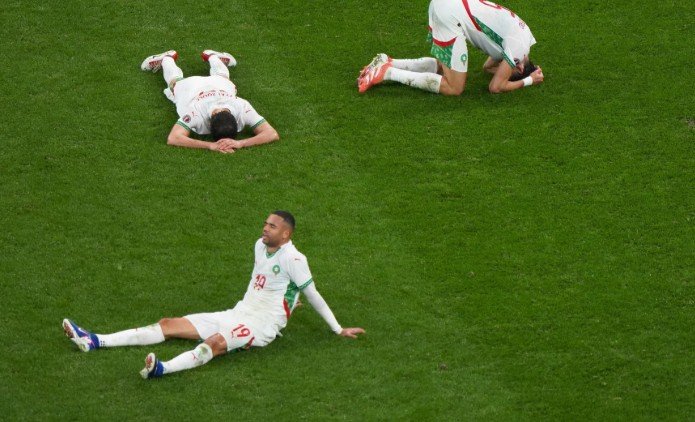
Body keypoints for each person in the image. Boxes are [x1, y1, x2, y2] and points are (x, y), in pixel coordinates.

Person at [63, 211, 365, 379]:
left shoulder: (294, 259)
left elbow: (312, 294)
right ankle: (95, 340)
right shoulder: (259, 246)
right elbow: (272, 285)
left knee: (216, 343)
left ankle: (162, 369)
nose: (264, 228)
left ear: (286, 234)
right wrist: (290, 301)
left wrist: (337, 328)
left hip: (261, 325)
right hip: (237, 312)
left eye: (271, 226)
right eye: (265, 223)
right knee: (168, 324)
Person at [358, 0, 544, 95]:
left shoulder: (523, 36)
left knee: (445, 66)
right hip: (451, 16)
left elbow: (487, 68)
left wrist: (510, 71)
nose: (505, 71)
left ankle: (388, 62)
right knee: (454, 87)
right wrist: (528, 80)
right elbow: (496, 86)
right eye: (511, 72)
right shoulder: (517, 50)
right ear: (520, 67)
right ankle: (388, 73)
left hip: (447, 6)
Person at [141, 49, 279, 153]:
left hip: (215, 85)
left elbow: (272, 134)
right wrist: (211, 145)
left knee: (222, 77)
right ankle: (168, 58)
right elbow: (173, 138)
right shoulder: (198, 113)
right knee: (175, 83)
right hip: (193, 87)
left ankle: (209, 56)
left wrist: (240, 143)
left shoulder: (242, 107)